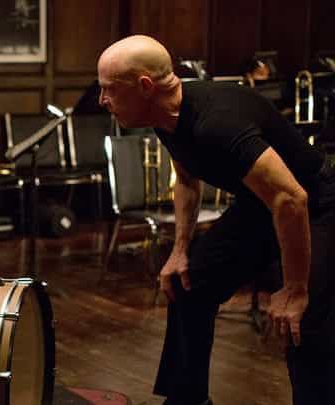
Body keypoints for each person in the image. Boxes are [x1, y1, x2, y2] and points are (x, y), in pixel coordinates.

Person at [97, 35, 334, 405]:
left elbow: (293, 199)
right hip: (263, 205)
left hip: (319, 203)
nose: (102, 100)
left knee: (301, 320)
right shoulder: (164, 117)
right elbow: (186, 180)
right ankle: (187, 399)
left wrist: (295, 288)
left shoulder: (218, 124)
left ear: (144, 86)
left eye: (109, 89)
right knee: (188, 284)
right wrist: (180, 250)